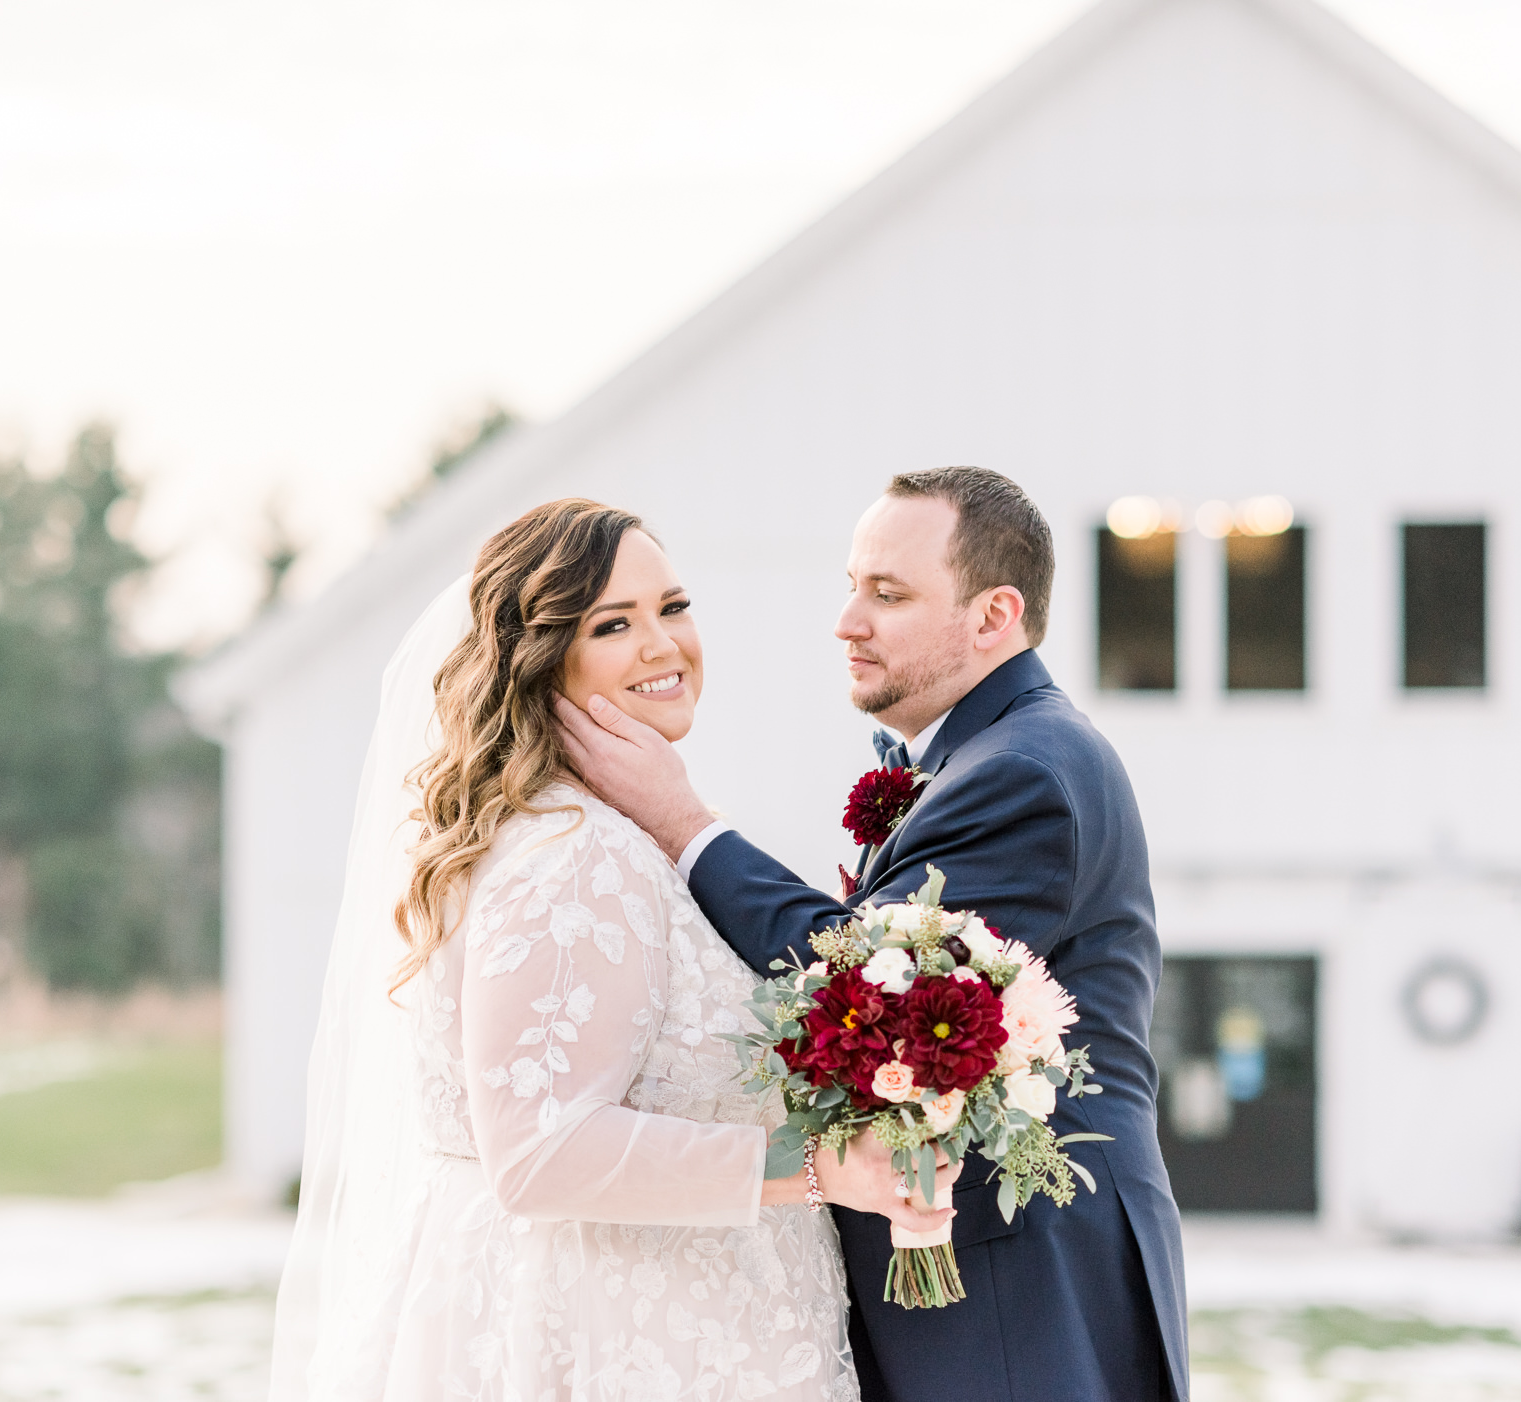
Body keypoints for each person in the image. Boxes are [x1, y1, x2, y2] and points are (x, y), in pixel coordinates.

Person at [270, 498, 945, 1401]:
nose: (663, 645)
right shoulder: (572, 852)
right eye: (613, 624)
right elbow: (540, 1152)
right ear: (544, 659)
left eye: (672, 607)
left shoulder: (603, 834)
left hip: (677, 1321)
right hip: (608, 1337)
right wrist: (819, 1169)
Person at [556, 468, 1191, 1402]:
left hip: (1015, 1281)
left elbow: (867, 989)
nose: (848, 621)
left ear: (993, 616)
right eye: (852, 586)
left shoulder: (1024, 773)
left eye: (887, 595)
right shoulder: (983, 753)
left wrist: (685, 824)